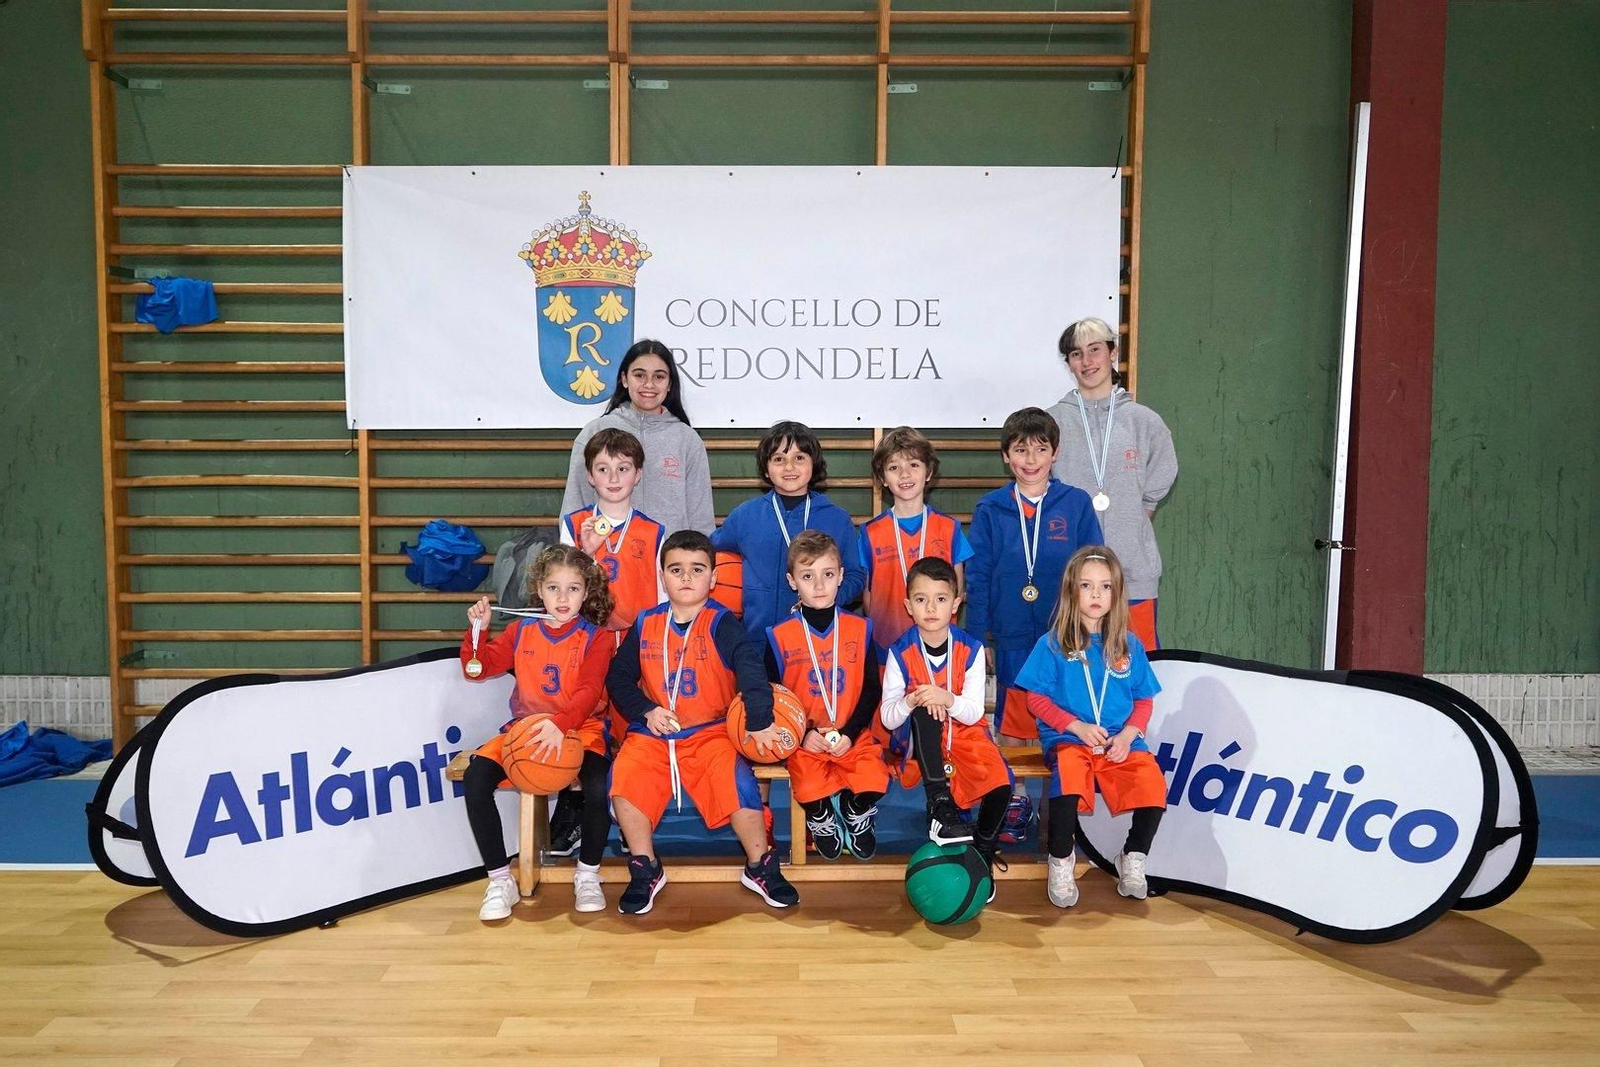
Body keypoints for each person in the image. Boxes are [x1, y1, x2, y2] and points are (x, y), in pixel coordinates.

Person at [606, 530, 800, 914]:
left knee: (738, 783)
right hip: (655, 732)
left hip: (710, 731)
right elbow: (617, 678)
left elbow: (751, 672)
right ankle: (645, 867)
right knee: (625, 779)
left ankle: (760, 865)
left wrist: (759, 720)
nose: (687, 578)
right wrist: (647, 710)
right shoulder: (645, 623)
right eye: (676, 569)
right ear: (663, 576)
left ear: (713, 578)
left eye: (697, 569)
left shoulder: (722, 623)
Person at [966, 407, 1102, 843]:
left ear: (1054, 453)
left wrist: (1091, 628)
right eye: (1020, 450)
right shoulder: (991, 508)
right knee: (1014, 712)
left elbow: (1094, 567)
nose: (1030, 459)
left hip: (1065, 633)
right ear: (1006, 456)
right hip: (1010, 632)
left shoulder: (1075, 503)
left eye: (1040, 449)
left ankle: (1058, 798)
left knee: (1065, 713)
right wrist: (977, 636)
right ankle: (1019, 795)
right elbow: (980, 574)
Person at [458, 546, 616, 919]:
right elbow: (476, 670)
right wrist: (477, 631)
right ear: (539, 591)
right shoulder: (520, 630)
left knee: (597, 786)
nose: (563, 598)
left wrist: (560, 725)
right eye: (554, 588)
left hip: (581, 728)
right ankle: (500, 879)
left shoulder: (597, 637)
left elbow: (589, 693)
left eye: (573, 589)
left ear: (586, 592)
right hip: (526, 730)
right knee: (476, 778)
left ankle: (588, 874)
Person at [1014, 546, 1165, 907]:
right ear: (1071, 591)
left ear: (1117, 593)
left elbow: (1144, 700)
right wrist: (1076, 726)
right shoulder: (1051, 644)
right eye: (1086, 586)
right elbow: (1036, 700)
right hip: (1069, 738)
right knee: (1067, 778)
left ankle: (1132, 857)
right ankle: (1062, 860)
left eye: (1105, 586)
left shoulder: (1130, 644)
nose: (1096, 595)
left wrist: (1129, 735)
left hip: (1120, 741)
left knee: (1153, 785)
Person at [553, 427, 666, 857]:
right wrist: (587, 553)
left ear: (638, 474)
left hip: (636, 647)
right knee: (585, 725)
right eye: (603, 468)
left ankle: (627, 806)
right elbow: (563, 588)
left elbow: (659, 601)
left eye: (623, 468)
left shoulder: (656, 532)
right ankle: (576, 809)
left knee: (626, 728)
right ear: (590, 475)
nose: (613, 476)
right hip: (586, 643)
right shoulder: (573, 524)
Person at [881, 557, 1014, 895]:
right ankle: (939, 803)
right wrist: (912, 700)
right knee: (925, 708)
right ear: (908, 606)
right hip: (922, 746)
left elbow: (971, 713)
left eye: (940, 599)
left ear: (955, 604)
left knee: (1001, 785)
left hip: (967, 736)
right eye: (921, 599)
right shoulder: (899, 652)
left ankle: (982, 855)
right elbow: (888, 717)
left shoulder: (971, 650)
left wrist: (946, 696)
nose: (931, 608)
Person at [1045, 318, 1177, 650]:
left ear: (1112, 353)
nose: (1087, 362)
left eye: (1095, 351)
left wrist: (1141, 510)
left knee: (1135, 671)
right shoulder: (1052, 422)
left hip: (1132, 575)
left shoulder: (1143, 421)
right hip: (1074, 578)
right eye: (1077, 354)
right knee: (1075, 674)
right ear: (1069, 363)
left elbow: (1163, 471)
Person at [765, 532, 886, 861]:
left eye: (828, 574)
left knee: (877, 778)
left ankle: (853, 809)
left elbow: (872, 688)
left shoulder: (861, 629)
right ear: (792, 582)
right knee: (806, 785)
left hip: (852, 734)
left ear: (841, 576)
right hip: (806, 740)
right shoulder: (778, 636)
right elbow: (772, 694)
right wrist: (802, 734)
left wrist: (850, 733)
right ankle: (819, 818)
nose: (819, 585)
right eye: (808, 576)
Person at [713, 420, 867, 642]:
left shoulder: (836, 518)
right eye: (778, 459)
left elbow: (855, 574)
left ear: (813, 463)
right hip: (756, 643)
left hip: (820, 642)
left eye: (799, 458)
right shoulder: (745, 517)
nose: (789, 467)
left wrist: (828, 599)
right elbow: (706, 555)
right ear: (766, 469)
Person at [560, 339, 714, 536]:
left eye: (659, 376)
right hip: (605, 559)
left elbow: (701, 518)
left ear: (669, 384)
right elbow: (574, 507)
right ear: (624, 379)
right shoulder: (593, 433)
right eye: (639, 375)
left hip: (669, 562)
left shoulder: (687, 440)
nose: (648, 384)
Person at [858, 426, 974, 661]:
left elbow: (957, 590)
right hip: (887, 649)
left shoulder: (949, 529)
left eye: (914, 465)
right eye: (893, 467)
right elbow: (869, 599)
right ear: (882, 478)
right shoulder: (870, 533)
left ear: (928, 471)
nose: (904, 474)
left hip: (938, 648)